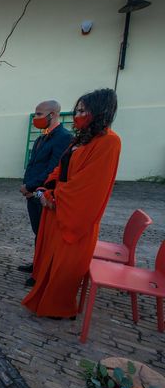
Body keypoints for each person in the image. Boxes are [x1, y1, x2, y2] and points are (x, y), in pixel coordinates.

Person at [22, 88, 122, 319]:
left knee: (64, 267)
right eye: (77, 110)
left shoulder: (109, 142)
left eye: (83, 111)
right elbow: (60, 167)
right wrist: (45, 187)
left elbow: (88, 187)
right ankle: (45, 301)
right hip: (55, 210)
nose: (78, 114)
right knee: (51, 260)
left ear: (99, 112)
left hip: (73, 215)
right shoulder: (83, 138)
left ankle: (58, 308)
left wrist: (53, 197)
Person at [18, 100, 73, 284]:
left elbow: (52, 170)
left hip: (43, 194)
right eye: (36, 114)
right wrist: (27, 186)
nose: (36, 118)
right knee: (38, 233)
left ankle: (42, 272)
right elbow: (34, 163)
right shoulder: (42, 137)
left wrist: (31, 186)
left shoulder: (64, 137)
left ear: (53, 114)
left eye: (40, 114)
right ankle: (37, 264)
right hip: (32, 194)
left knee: (46, 236)